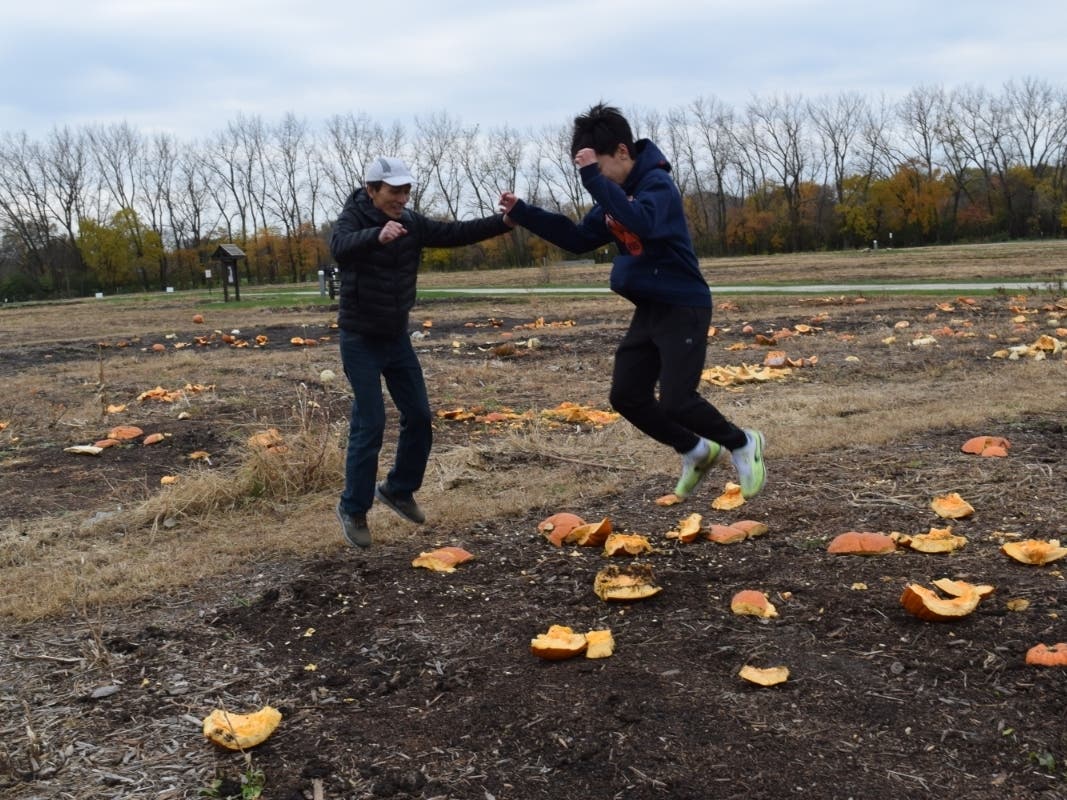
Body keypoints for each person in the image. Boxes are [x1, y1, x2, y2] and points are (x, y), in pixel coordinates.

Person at [499, 103, 765, 504]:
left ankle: (742, 442)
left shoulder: (657, 186)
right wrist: (525, 213)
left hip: (683, 306)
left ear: (622, 153)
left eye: (601, 167)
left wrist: (593, 179)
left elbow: (641, 222)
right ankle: (695, 450)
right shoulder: (616, 194)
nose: (598, 178)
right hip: (650, 308)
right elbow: (576, 238)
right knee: (626, 395)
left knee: (677, 400)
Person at [330, 156, 512, 548]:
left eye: (407, 190)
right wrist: (375, 236)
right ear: (372, 190)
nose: (402, 198)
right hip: (359, 338)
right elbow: (339, 247)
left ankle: (398, 489)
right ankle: (353, 508)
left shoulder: (412, 224)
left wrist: (504, 222)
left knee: (419, 415)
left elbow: (454, 232)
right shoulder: (353, 218)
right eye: (394, 191)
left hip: (395, 337)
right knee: (371, 422)